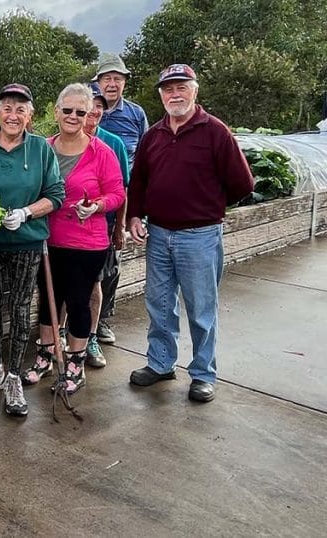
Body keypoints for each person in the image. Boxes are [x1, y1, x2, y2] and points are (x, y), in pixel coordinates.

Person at [127, 64, 253, 403]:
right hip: (158, 233)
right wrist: (135, 215)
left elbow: (243, 183)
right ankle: (161, 363)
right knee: (159, 304)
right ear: (161, 95)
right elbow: (138, 181)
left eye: (181, 87)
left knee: (201, 308)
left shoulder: (215, 132)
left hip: (199, 236)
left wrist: (208, 205)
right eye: (168, 89)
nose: (175, 94)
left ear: (194, 91)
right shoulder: (153, 135)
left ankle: (202, 374)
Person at [0, 84, 64, 416]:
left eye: (20, 109)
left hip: (27, 242)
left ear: (30, 115)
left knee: (21, 308)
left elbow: (55, 194)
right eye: (7, 108)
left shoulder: (40, 149)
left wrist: (26, 213)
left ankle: (12, 375)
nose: (13, 115)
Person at [36, 83, 125, 396]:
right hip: (48, 240)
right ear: (57, 112)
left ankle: (75, 363)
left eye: (81, 112)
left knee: (77, 301)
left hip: (87, 243)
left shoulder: (102, 152)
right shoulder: (43, 148)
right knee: (48, 301)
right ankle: (47, 353)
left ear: (90, 115)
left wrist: (97, 206)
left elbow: (117, 192)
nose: (73, 116)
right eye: (68, 110)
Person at [93, 52, 149, 345]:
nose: (112, 83)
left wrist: (135, 209)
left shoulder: (136, 114)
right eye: (106, 78)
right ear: (98, 82)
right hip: (89, 197)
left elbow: (145, 157)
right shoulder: (87, 107)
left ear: (124, 82)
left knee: (112, 263)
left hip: (120, 196)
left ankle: (103, 320)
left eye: (117, 78)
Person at [80, 83, 130, 368]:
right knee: (66, 286)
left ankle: (92, 336)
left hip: (102, 227)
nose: (94, 110)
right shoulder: (58, 141)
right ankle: (61, 334)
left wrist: (119, 226)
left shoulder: (114, 143)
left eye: (99, 105)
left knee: (97, 283)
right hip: (66, 229)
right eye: (90, 104)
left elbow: (122, 189)